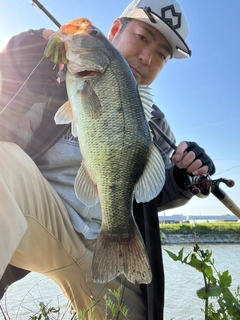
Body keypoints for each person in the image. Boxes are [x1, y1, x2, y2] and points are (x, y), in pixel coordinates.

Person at [0, 0, 215, 319]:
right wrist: (25, 50)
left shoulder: (155, 122)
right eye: (143, 38)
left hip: (106, 244)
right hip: (40, 225)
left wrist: (184, 178)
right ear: (115, 30)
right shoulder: (54, 76)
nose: (146, 57)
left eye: (161, 54)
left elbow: (151, 193)